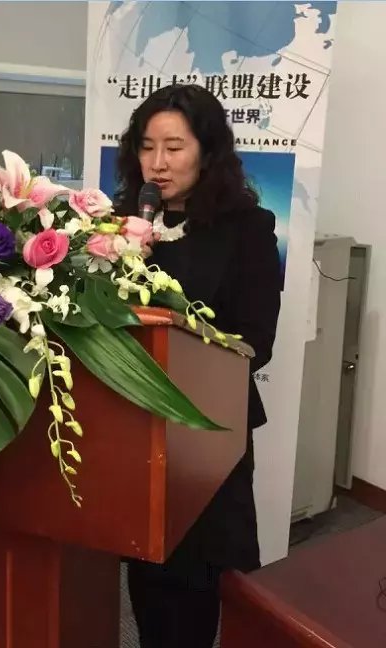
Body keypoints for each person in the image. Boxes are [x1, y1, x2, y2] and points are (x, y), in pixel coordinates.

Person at [114, 84, 282, 647]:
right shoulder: (120, 225)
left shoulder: (248, 229)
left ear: (207, 153)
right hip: (135, 421)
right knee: (146, 568)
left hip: (206, 429)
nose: (157, 163)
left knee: (195, 580)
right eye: (146, 147)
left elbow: (257, 340)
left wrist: (182, 340)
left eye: (174, 147)